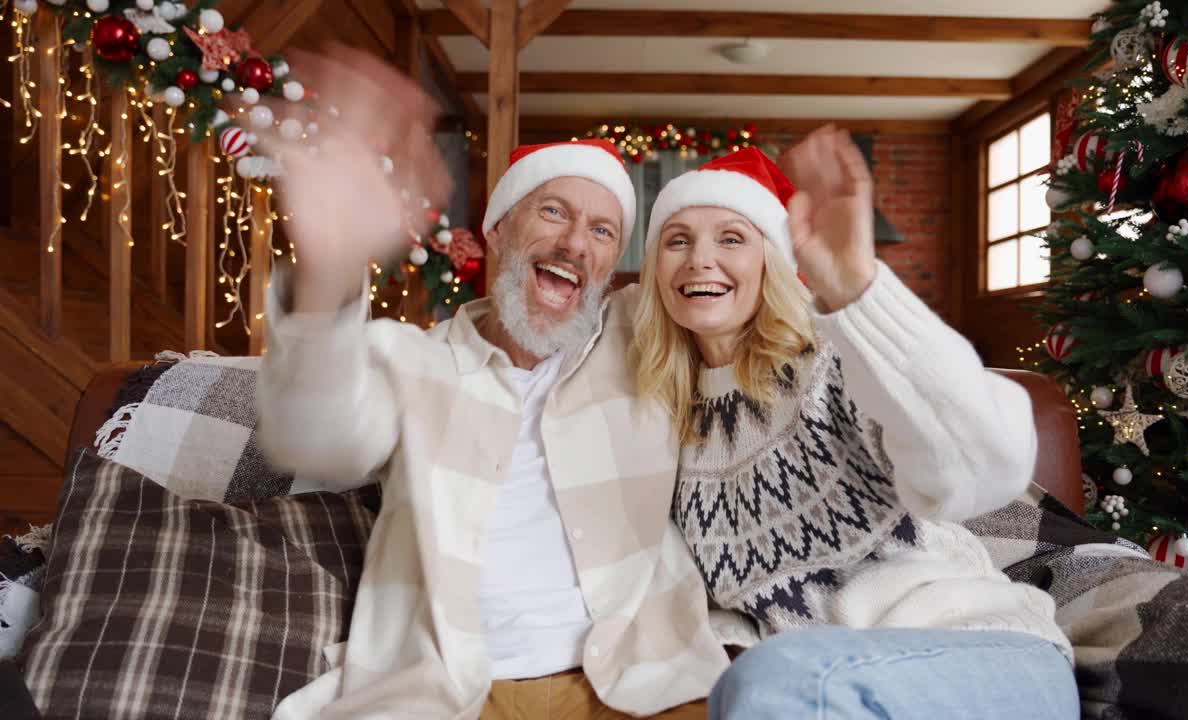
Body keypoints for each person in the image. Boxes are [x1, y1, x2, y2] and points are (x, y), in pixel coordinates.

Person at [254, 48, 730, 720]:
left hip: (642, 681)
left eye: (602, 231)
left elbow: (746, 318)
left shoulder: (644, 341)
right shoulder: (412, 360)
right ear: (499, 231)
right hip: (452, 689)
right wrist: (330, 265)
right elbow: (315, 437)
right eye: (554, 213)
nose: (575, 244)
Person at [629, 130, 1081, 719]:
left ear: (772, 261)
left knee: (778, 678)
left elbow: (986, 465)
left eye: (732, 238)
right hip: (826, 691)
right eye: (677, 240)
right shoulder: (670, 424)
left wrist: (857, 293)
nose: (699, 259)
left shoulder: (831, 364)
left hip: (986, 660)